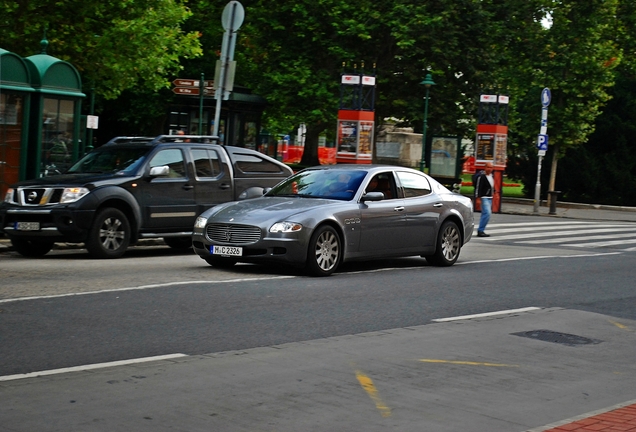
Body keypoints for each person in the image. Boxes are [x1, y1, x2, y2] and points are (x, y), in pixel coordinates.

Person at [474, 162, 494, 237]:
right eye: (488, 167)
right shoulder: (482, 177)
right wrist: (478, 198)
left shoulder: (492, 176)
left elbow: (491, 187)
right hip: (484, 197)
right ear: (485, 168)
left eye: (491, 167)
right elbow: (478, 188)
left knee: (485, 214)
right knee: (487, 213)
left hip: (490, 197)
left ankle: (481, 230)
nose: (490, 169)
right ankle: (480, 230)